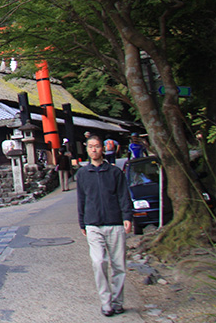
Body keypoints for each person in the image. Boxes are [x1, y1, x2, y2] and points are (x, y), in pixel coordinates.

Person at [76, 135, 134, 318]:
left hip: (115, 222)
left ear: (103, 149)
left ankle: (118, 302)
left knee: (119, 266)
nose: (94, 150)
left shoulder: (115, 172)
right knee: (99, 262)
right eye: (90, 147)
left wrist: (127, 215)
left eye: (97, 146)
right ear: (87, 149)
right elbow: (81, 199)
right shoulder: (83, 174)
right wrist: (82, 221)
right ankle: (106, 302)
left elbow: (124, 195)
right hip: (93, 223)